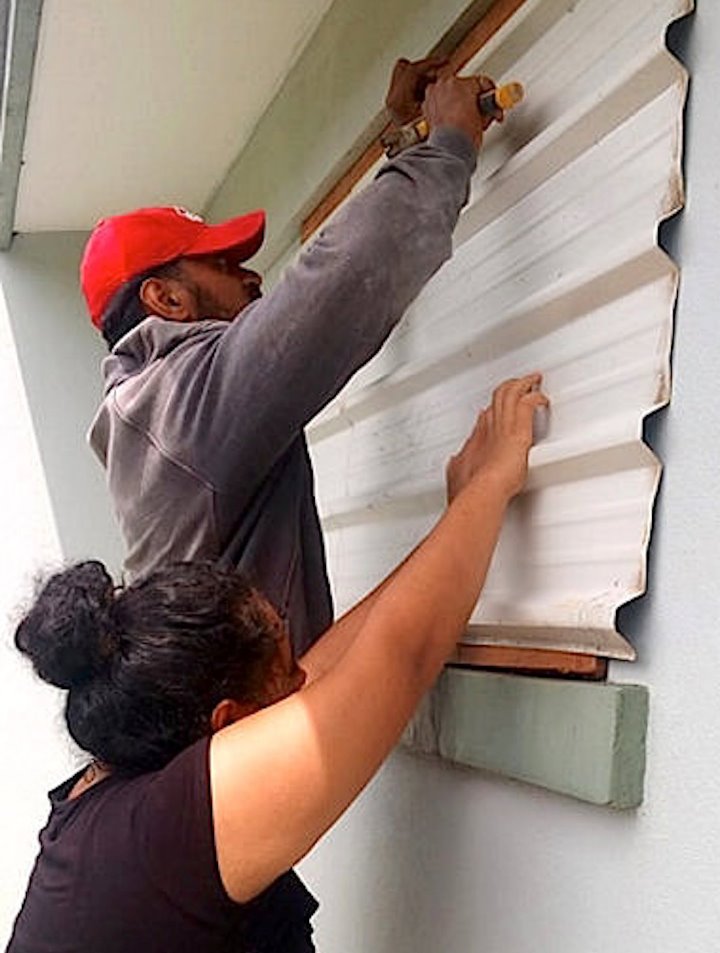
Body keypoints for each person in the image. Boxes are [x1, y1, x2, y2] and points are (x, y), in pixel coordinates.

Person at [7, 376, 547, 953]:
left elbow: (351, 656)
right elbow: (400, 658)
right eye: (286, 675)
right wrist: (491, 484)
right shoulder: (166, 837)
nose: (306, 683)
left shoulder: (128, 789)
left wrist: (457, 515)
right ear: (226, 722)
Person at [82, 58, 501, 661]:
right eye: (223, 266)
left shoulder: (155, 407)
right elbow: (343, 278)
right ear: (166, 298)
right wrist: (450, 143)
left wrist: (402, 139)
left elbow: (314, 310)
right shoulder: (180, 405)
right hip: (245, 737)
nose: (251, 276)